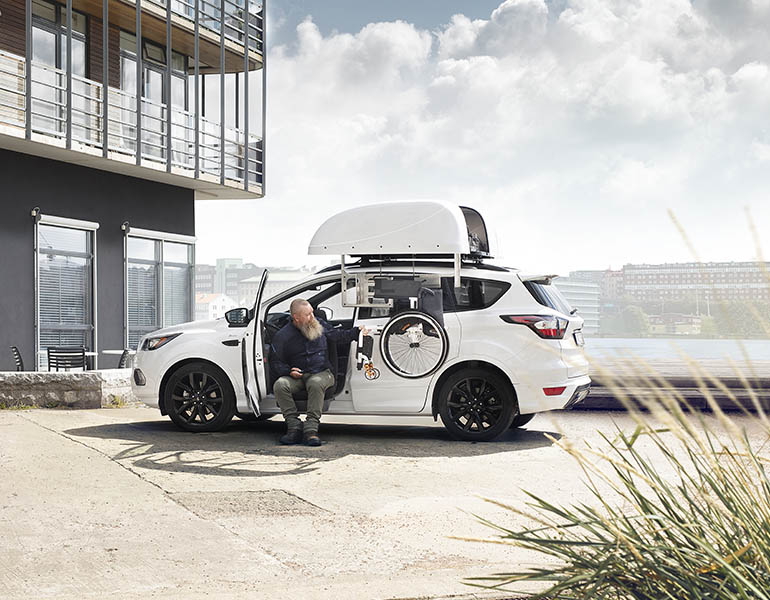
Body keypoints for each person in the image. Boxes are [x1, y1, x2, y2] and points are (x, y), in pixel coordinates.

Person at [271, 298, 367, 446]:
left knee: (315, 383)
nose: (312, 317)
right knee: (280, 385)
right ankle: (294, 427)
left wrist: (357, 332)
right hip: (298, 376)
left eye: (312, 313)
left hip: (322, 373)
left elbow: (338, 335)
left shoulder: (319, 324)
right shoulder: (283, 335)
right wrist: (288, 371)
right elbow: (275, 362)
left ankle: (311, 431)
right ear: (296, 317)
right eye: (308, 314)